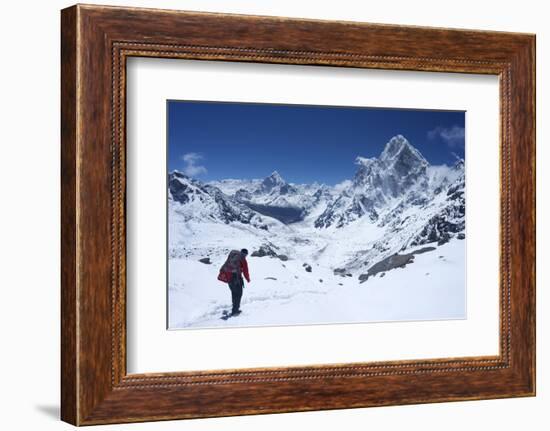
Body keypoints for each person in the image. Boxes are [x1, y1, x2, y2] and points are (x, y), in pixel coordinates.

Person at [217, 248, 251, 316]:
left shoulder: (232, 255)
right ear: (245, 254)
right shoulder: (243, 259)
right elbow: (245, 271)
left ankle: (234, 308)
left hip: (229, 278)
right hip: (237, 279)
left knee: (234, 293)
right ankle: (235, 310)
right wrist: (248, 279)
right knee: (238, 294)